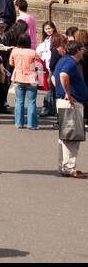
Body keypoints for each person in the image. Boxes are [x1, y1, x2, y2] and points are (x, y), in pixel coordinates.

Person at [54, 39, 87, 178]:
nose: (83, 51)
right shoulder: (70, 62)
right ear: (77, 50)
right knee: (71, 137)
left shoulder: (63, 60)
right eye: (82, 49)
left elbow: (54, 79)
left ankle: (64, 166)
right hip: (70, 103)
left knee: (65, 136)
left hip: (64, 101)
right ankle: (69, 168)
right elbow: (63, 75)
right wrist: (67, 93)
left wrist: (61, 90)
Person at [8, 32, 43, 130]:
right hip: (31, 78)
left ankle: (19, 123)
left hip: (18, 77)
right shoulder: (33, 52)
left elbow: (11, 63)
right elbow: (38, 66)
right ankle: (32, 124)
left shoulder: (15, 51)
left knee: (19, 101)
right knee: (31, 102)